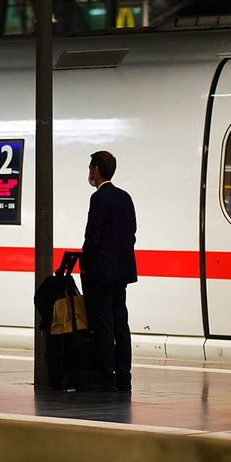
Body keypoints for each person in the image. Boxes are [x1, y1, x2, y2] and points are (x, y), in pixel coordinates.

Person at [81, 150, 137, 392]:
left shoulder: (98, 199)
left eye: (90, 168)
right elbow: (132, 233)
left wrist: (85, 262)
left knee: (103, 323)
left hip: (102, 273)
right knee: (120, 323)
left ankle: (107, 374)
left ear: (95, 170)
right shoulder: (125, 197)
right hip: (121, 272)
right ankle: (124, 375)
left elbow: (92, 236)